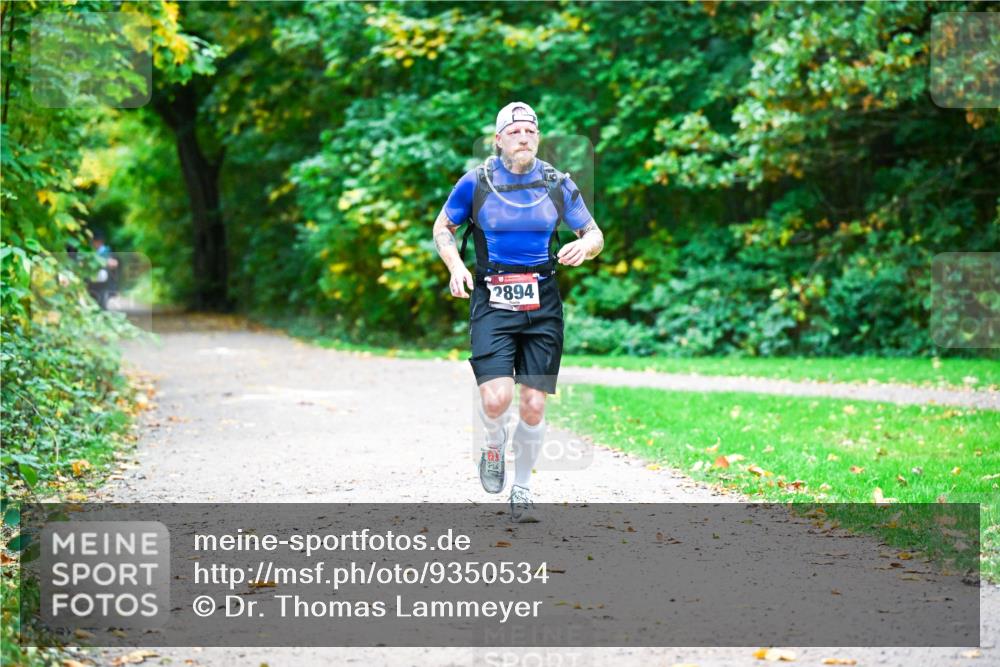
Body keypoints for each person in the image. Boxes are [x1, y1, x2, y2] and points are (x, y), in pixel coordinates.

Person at [432, 102, 604, 522]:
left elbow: (594, 232)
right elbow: (443, 228)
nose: (524, 137)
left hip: (542, 301)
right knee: (497, 399)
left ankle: (523, 489)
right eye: (514, 131)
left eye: (530, 130)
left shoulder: (556, 183)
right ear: (498, 140)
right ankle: (493, 442)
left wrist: (586, 245)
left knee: (532, 405)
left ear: (538, 137)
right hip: (492, 297)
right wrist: (456, 266)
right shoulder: (476, 183)